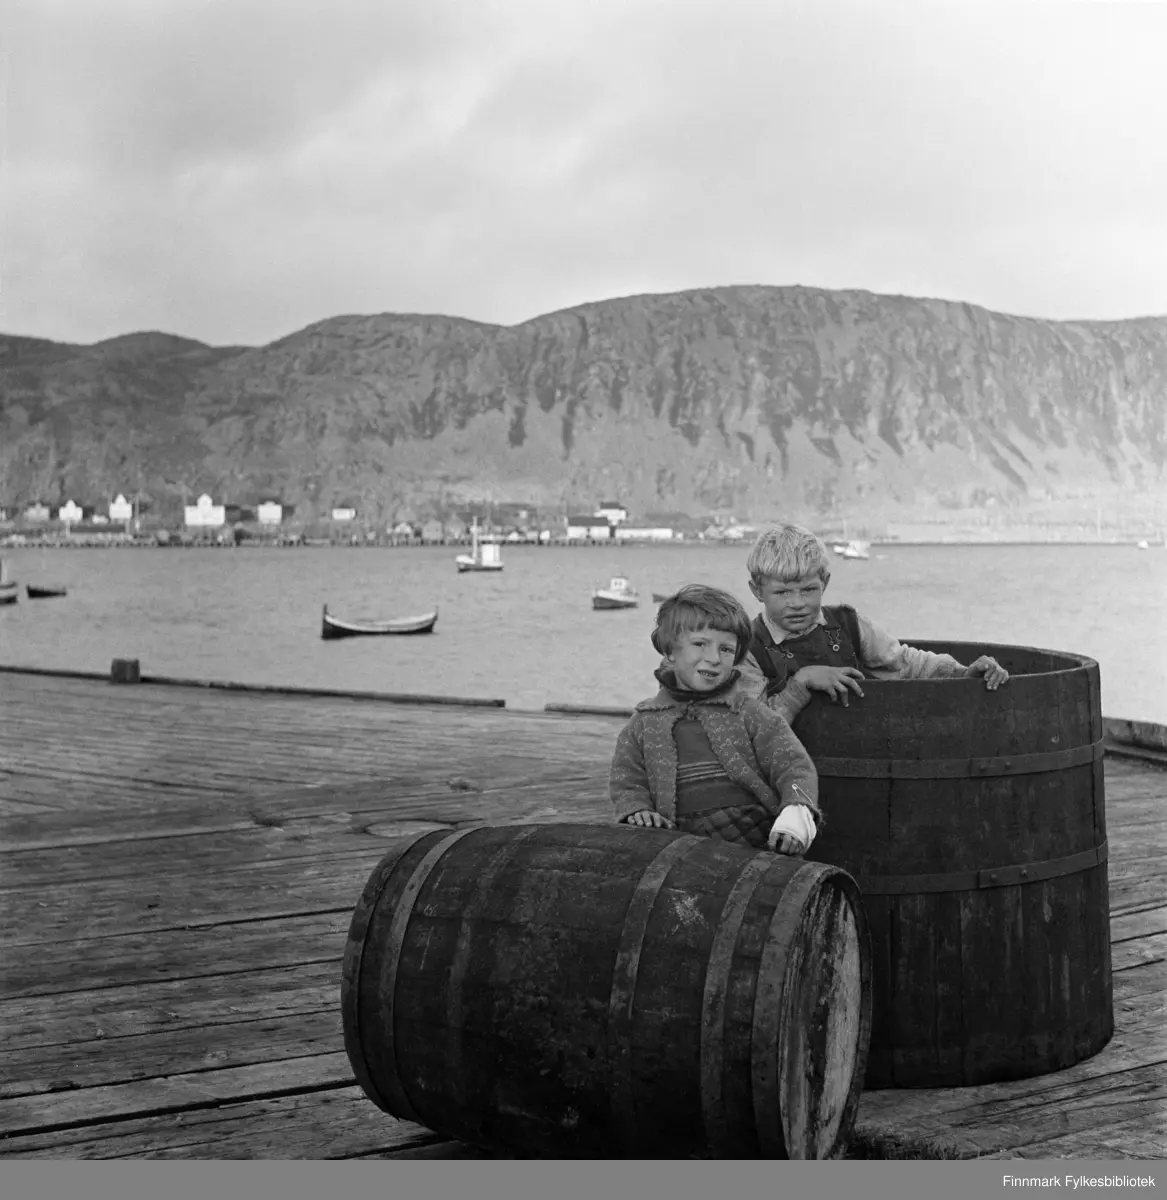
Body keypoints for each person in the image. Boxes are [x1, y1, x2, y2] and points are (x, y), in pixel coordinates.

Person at [609, 584, 820, 855]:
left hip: (756, 844)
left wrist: (795, 814)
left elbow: (793, 766)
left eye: (726, 649)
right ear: (670, 650)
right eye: (700, 644)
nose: (713, 659)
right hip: (676, 847)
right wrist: (637, 810)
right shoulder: (643, 722)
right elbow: (627, 777)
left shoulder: (752, 714)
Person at [739, 523, 1010, 700]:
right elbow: (756, 723)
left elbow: (904, 663)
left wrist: (962, 674)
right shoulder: (748, 648)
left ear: (825, 583)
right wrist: (801, 683)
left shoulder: (847, 625)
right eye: (782, 592)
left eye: (808, 590)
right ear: (757, 591)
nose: (796, 602)